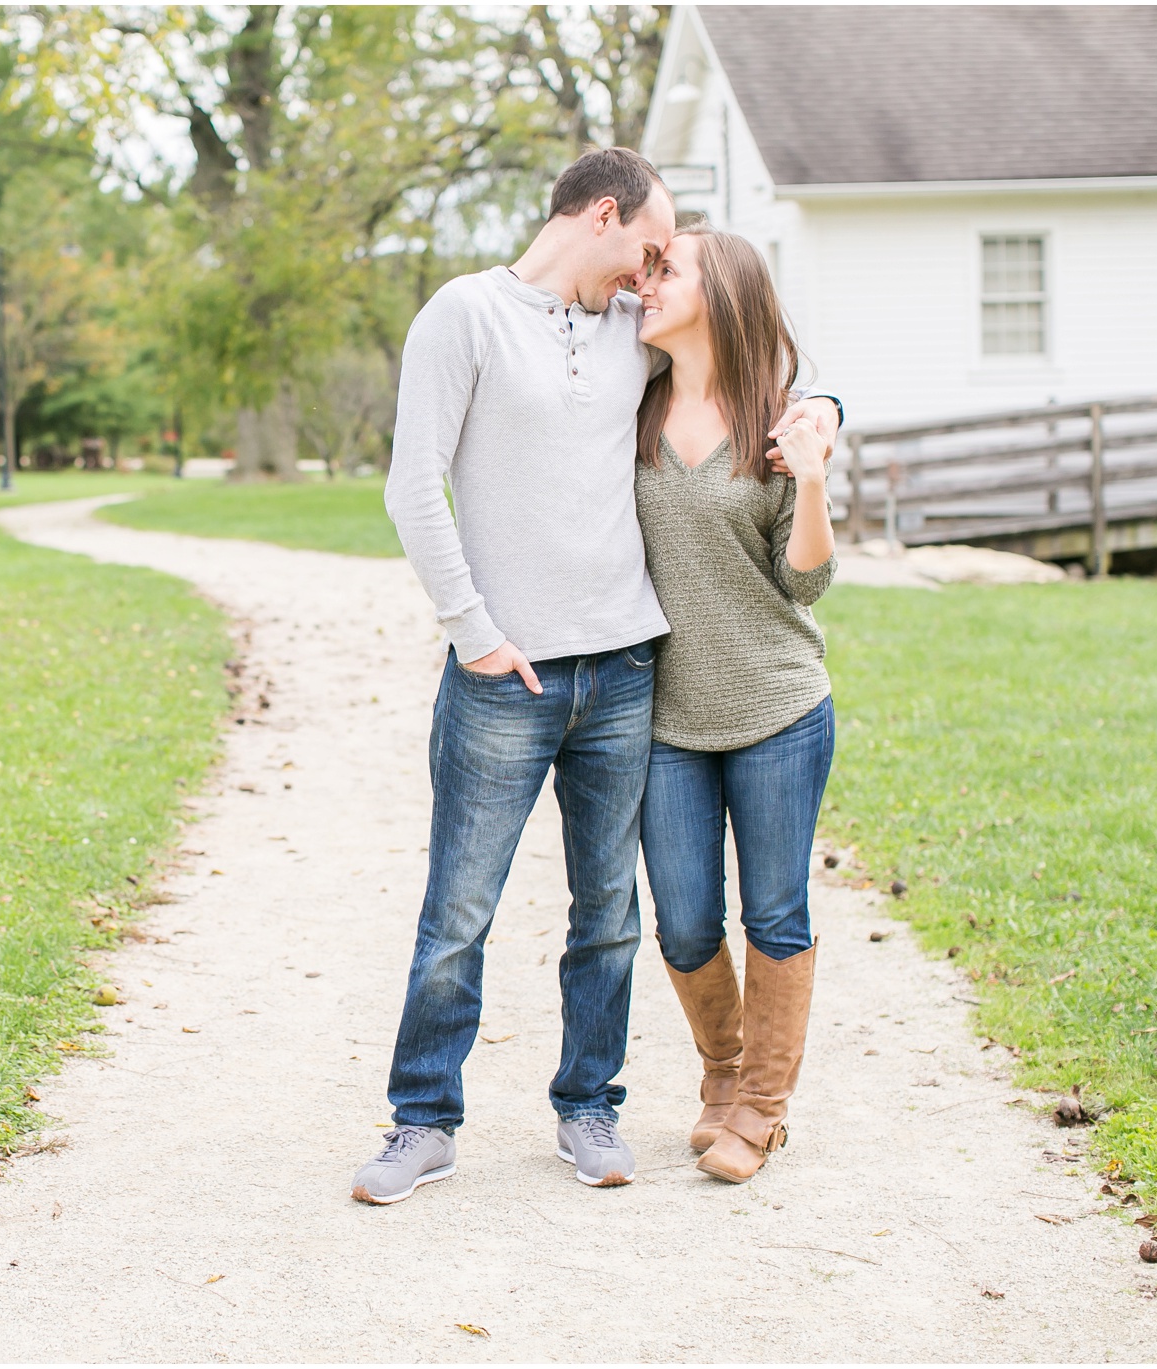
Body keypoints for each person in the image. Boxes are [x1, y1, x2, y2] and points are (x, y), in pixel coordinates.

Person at [352, 149, 839, 1205]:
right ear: (605, 216)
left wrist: (826, 411)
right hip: (503, 676)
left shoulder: (631, 331)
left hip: (626, 672)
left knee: (608, 912)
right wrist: (470, 629)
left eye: (668, 263)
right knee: (459, 910)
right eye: (649, 249)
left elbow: (749, 360)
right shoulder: (462, 316)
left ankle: (589, 1106)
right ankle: (422, 1121)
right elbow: (411, 485)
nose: (652, 271)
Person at [631, 223, 837, 1184]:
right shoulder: (627, 410)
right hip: (666, 717)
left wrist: (816, 479)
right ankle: (722, 1073)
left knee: (777, 913)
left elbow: (807, 585)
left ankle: (760, 1107)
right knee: (681, 919)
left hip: (778, 709)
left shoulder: (780, 423)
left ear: (721, 293)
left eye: (668, 269)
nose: (649, 280)